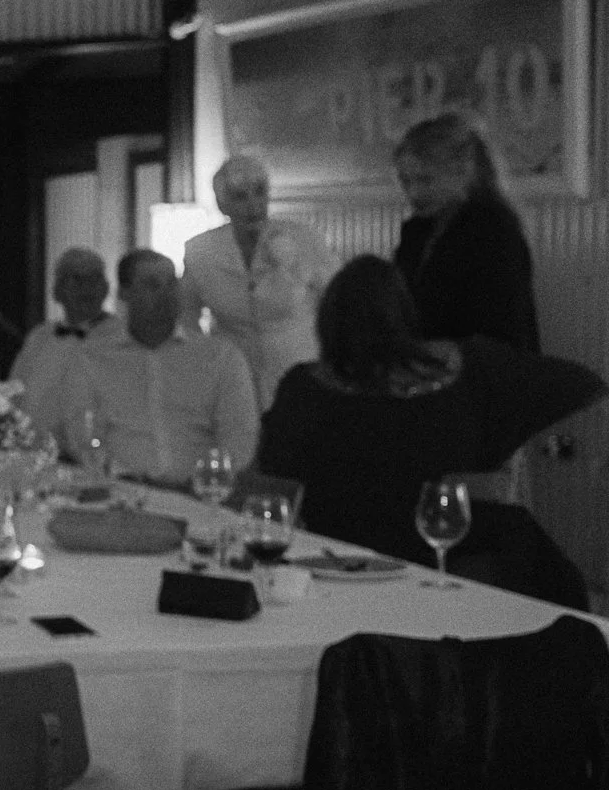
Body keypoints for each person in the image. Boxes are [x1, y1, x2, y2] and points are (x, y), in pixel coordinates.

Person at [254, 255, 600, 607]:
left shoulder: (302, 390)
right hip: (448, 556)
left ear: (328, 322)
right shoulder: (470, 370)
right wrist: (516, 455)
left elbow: (273, 480)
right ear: (403, 315)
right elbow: (582, 386)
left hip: (340, 561)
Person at [56, 247, 259, 484]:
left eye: (172, 284)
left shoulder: (220, 357)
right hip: (120, 491)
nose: (166, 295)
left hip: (200, 493)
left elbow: (239, 437)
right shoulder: (92, 358)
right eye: (152, 285)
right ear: (124, 293)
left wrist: (211, 480)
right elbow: (83, 435)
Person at [178, 155, 335, 410]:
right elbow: (186, 315)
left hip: (300, 370)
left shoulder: (303, 239)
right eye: (241, 197)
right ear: (222, 204)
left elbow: (337, 303)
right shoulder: (202, 252)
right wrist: (204, 361)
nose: (254, 205)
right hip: (233, 374)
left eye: (260, 193)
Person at [393, 112, 539, 351]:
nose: (413, 193)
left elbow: (499, 333)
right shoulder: (418, 230)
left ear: (463, 172)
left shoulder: (493, 231)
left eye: (425, 180)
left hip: (483, 374)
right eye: (405, 181)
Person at [9, 247, 109, 438]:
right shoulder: (39, 337)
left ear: (106, 288)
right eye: (76, 279)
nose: (86, 288)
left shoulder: (120, 338)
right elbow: (14, 392)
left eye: (94, 279)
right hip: (35, 451)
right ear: (57, 290)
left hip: (91, 454)